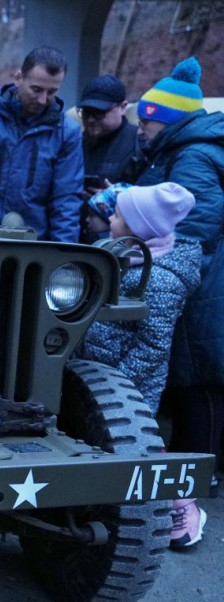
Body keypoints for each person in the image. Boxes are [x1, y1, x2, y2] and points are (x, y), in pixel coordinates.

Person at [76, 182, 206, 549]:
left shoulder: (160, 279)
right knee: (106, 445)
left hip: (125, 388)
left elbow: (152, 346)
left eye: (117, 214)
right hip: (97, 375)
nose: (110, 218)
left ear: (137, 228)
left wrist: (117, 388)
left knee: (139, 449)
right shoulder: (122, 258)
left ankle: (181, 504)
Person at [133, 56, 224, 509]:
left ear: (165, 121)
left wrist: (164, 268)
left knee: (197, 382)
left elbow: (194, 229)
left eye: (146, 124)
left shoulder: (192, 157)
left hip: (203, 286)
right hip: (204, 280)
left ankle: (197, 476)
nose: (141, 132)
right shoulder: (188, 151)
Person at [0, 46, 84, 241]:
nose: (43, 99)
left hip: (34, 248)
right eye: (36, 89)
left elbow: (66, 202)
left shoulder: (67, 134)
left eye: (52, 92)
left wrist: (62, 258)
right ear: (18, 78)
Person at [76, 74, 145, 243]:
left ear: (123, 108)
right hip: (78, 234)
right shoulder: (76, 142)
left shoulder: (140, 142)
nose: (91, 119)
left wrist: (117, 197)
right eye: (86, 113)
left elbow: (150, 199)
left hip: (118, 243)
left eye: (99, 113)